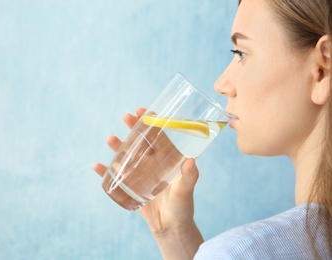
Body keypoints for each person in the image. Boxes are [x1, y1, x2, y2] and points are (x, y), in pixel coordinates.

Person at [93, 0, 332, 258]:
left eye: (241, 54)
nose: (221, 84)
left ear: (322, 70)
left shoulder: (240, 251)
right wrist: (172, 231)